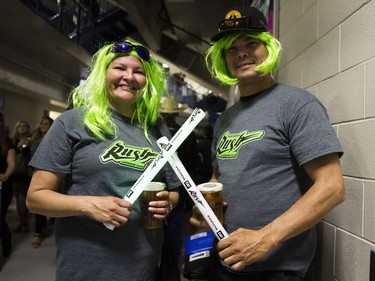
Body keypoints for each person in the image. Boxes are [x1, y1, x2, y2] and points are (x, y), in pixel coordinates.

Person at [190, 6, 346, 281]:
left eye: (252, 43)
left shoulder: (297, 104)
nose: (242, 53)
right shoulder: (226, 118)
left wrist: (264, 239)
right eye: (231, 48)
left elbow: (332, 188)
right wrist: (205, 207)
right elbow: (219, 176)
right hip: (227, 260)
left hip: (275, 268)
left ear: (268, 48)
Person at [26, 39, 180, 281]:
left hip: (144, 264)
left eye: (138, 71)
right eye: (120, 68)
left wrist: (167, 204)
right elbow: (35, 199)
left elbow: (173, 190)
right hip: (87, 265)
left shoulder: (159, 130)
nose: (129, 77)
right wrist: (88, 205)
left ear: (147, 81)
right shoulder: (72, 122)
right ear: (103, 74)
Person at [159, 95, 202, 262]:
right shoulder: (187, 135)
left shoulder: (153, 133)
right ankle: (172, 264)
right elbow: (194, 163)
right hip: (180, 187)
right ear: (176, 114)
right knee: (175, 227)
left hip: (155, 186)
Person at [28, 116, 54, 248]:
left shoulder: (54, 139)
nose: (43, 126)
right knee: (37, 203)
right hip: (33, 173)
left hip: (49, 174)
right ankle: (39, 230)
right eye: (42, 123)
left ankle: (40, 230)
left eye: (46, 124)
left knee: (46, 201)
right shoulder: (34, 139)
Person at [11, 120, 32, 233]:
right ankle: (21, 222)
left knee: (22, 198)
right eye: (20, 126)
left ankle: (25, 222)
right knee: (17, 196)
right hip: (15, 172)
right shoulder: (13, 141)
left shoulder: (31, 140)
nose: (22, 128)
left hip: (26, 172)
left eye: (25, 126)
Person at [0, 112, 16, 258]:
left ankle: (6, 244)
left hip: (2, 185)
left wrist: (5, 175)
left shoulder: (6, 142)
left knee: (0, 217)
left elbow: (11, 164)